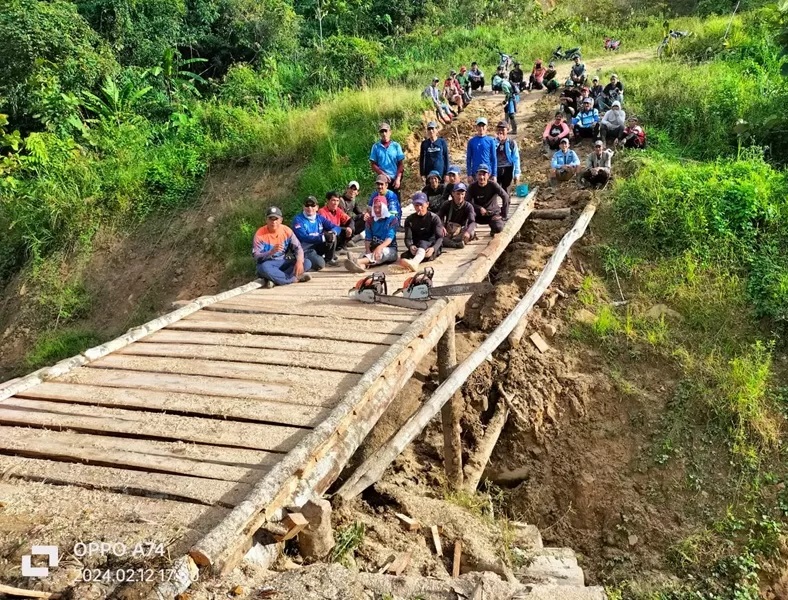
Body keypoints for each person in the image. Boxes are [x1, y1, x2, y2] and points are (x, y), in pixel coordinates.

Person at [254, 206, 312, 287]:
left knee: (306, 262)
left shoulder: (287, 231)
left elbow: (298, 248)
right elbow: (256, 256)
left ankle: (276, 280)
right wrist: (270, 252)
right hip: (268, 263)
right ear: (266, 220)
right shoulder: (259, 234)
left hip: (283, 261)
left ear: (281, 220)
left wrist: (299, 261)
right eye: (271, 219)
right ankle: (293, 279)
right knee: (264, 268)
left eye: (276, 219)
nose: (273, 222)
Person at [344, 195, 398, 272]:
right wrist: (368, 250)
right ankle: (360, 267)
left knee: (379, 253)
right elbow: (368, 238)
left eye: (379, 207)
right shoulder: (370, 220)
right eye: (375, 207)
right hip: (373, 248)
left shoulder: (392, 220)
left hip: (390, 249)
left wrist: (379, 248)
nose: (377, 210)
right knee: (366, 255)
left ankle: (356, 261)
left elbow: (389, 238)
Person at [398, 192, 444, 271]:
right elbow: (408, 238)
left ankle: (414, 262)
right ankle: (415, 260)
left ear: (427, 204)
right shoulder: (409, 220)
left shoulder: (434, 218)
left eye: (421, 205)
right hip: (418, 247)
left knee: (424, 246)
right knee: (404, 256)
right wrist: (410, 246)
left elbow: (440, 238)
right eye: (416, 205)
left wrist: (433, 248)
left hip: (431, 246)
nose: (419, 208)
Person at [291, 196, 339, 270]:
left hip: (317, 245)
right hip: (305, 248)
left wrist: (333, 232)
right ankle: (306, 262)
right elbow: (303, 237)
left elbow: (336, 227)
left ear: (317, 207)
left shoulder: (319, 218)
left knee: (332, 236)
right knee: (320, 263)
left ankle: (328, 260)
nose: (310, 208)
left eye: (313, 205)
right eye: (307, 205)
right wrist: (323, 237)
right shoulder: (298, 219)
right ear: (303, 207)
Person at [468, 164, 509, 235]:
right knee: (465, 217)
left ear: (488, 175)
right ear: (476, 175)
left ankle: (493, 229)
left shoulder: (493, 185)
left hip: (492, 214)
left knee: (498, 227)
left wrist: (503, 215)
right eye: (479, 174)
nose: (481, 177)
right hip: (478, 214)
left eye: (484, 174)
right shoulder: (472, 187)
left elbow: (505, 196)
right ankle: (470, 233)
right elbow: (467, 201)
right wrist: (479, 208)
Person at [370, 122, 405, 199]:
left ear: (390, 132)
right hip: (382, 180)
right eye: (382, 132)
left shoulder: (396, 146)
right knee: (383, 201)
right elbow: (373, 164)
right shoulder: (376, 147)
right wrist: (383, 174)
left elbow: (401, 164)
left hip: (394, 179)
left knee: (396, 201)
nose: (384, 134)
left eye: (386, 131)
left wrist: (398, 178)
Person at [438, 183, 476, 248]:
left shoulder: (468, 206)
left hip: (462, 231)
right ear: (453, 193)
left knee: (471, 233)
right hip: (449, 231)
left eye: (462, 194)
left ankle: (453, 242)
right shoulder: (446, 204)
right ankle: (455, 244)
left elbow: (472, 222)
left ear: (465, 194)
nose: (460, 197)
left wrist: (468, 232)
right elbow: (438, 217)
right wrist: (441, 226)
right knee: (438, 234)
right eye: (458, 194)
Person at [466, 117, 497, 183]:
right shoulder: (471, 142)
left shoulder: (491, 141)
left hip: (487, 173)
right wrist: (469, 174)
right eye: (479, 126)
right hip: (475, 173)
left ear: (486, 127)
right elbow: (468, 159)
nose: (481, 128)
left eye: (483, 126)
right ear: (476, 127)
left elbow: (494, 159)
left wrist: (494, 175)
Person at [494, 121, 520, 192]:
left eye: (503, 130)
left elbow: (516, 159)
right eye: (499, 130)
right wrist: (497, 141)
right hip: (496, 168)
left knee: (506, 192)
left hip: (508, 168)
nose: (501, 132)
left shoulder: (511, 143)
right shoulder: (493, 142)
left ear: (507, 130)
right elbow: (490, 154)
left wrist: (517, 174)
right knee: (494, 191)